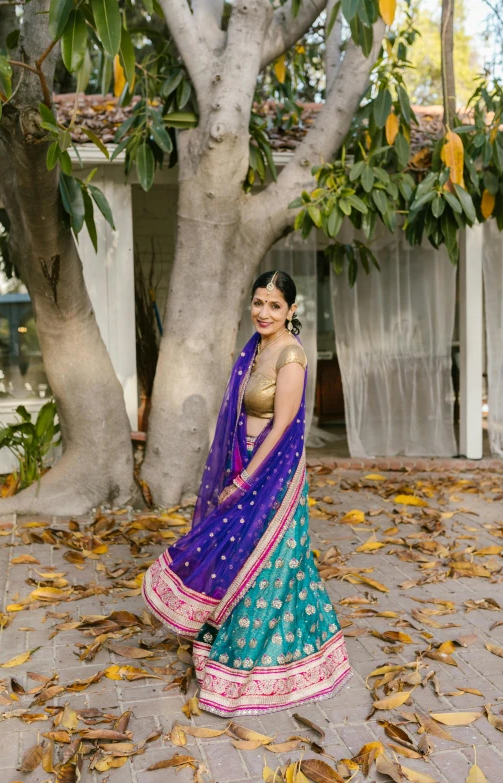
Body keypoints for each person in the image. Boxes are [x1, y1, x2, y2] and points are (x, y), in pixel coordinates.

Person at [143, 270, 352, 716]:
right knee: (239, 557)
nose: (264, 312)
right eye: (259, 302)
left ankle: (264, 668)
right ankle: (232, 646)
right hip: (245, 461)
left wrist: (245, 479)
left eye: (275, 305)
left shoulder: (290, 356)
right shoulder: (255, 348)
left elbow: (283, 427)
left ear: (291, 311)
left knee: (272, 565)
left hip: (272, 474)